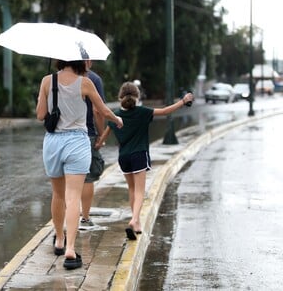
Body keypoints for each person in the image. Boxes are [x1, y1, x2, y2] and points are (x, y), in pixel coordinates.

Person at [36, 60, 123, 269]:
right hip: (77, 142)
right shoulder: (85, 83)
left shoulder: (47, 81)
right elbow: (102, 110)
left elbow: (40, 115)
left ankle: (59, 239)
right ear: (79, 61)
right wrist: (117, 120)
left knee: (57, 194)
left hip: (53, 142)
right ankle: (70, 250)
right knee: (73, 196)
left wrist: (52, 99)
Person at [95, 82, 193, 240]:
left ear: (120, 97)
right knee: (140, 191)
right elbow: (165, 111)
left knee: (132, 190)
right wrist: (183, 101)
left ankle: (137, 223)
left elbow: (103, 137)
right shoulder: (142, 112)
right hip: (139, 154)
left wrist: (98, 144)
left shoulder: (116, 115)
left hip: (124, 157)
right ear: (137, 96)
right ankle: (134, 219)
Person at [80, 60, 106, 228]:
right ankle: (85, 217)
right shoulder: (93, 79)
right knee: (87, 178)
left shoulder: (54, 79)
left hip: (60, 134)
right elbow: (98, 110)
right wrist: (101, 133)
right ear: (88, 61)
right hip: (87, 133)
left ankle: (65, 221)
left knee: (66, 180)